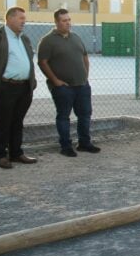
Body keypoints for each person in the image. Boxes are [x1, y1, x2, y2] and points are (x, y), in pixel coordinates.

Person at [0, 6, 38, 169]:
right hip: (5, 86)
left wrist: (31, 81)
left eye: (24, 18)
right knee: (2, 122)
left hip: (24, 87)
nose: (24, 21)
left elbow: (29, 61)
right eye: (21, 18)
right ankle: (0, 155)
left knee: (17, 122)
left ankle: (16, 153)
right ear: (10, 18)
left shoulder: (24, 39)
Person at [37, 9, 101, 157]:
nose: (68, 23)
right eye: (64, 20)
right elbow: (42, 62)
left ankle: (84, 143)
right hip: (63, 88)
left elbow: (85, 57)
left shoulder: (76, 37)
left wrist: (85, 76)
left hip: (82, 86)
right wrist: (55, 81)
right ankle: (65, 146)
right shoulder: (47, 41)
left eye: (69, 20)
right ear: (57, 22)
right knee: (64, 116)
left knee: (85, 115)